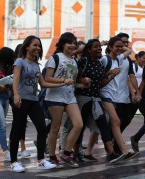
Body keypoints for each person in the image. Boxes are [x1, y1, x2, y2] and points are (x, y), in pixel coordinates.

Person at [10, 35, 63, 172]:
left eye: (39, 46)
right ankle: (14, 162)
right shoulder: (20, 62)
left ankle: (41, 160)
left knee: (41, 128)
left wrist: (62, 83)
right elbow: (15, 80)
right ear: (27, 46)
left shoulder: (36, 66)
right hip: (21, 99)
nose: (37, 48)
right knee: (17, 129)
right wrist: (16, 95)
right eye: (35, 45)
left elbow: (43, 83)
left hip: (33, 101)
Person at [76, 38, 127, 163]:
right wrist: (83, 81)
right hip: (83, 98)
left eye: (100, 47)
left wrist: (111, 76)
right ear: (89, 49)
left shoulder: (99, 63)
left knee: (104, 124)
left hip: (96, 98)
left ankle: (111, 153)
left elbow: (100, 83)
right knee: (80, 126)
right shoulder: (84, 61)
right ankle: (76, 152)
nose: (99, 49)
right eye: (96, 47)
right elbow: (75, 78)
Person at [45, 32, 86, 168]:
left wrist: (82, 84)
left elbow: (72, 82)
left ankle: (66, 153)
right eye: (69, 43)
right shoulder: (56, 58)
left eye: (74, 43)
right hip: (55, 96)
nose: (72, 45)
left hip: (70, 97)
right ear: (62, 44)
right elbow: (47, 78)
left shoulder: (74, 61)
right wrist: (63, 80)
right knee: (55, 127)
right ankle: (52, 156)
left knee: (79, 124)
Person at [100, 36, 137, 160]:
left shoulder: (119, 59)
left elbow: (129, 50)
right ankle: (120, 151)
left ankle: (121, 151)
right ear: (110, 47)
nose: (120, 49)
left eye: (121, 46)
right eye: (117, 46)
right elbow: (98, 76)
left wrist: (119, 45)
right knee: (115, 122)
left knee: (112, 123)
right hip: (104, 94)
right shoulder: (105, 59)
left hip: (113, 95)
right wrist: (109, 73)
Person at [113, 32, 141, 153]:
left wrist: (137, 92)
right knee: (116, 121)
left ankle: (114, 142)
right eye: (123, 42)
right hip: (112, 94)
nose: (125, 45)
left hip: (124, 94)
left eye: (126, 42)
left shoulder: (128, 59)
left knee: (126, 119)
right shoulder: (112, 57)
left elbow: (131, 76)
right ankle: (114, 146)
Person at [129, 51, 145, 144]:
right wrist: (133, 94)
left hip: (143, 94)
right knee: (129, 116)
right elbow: (130, 80)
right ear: (138, 58)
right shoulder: (134, 67)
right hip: (135, 94)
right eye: (143, 58)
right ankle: (115, 136)